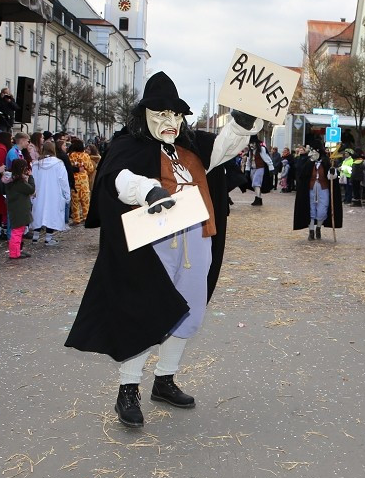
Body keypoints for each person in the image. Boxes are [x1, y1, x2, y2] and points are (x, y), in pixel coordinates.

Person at [65, 72, 262, 428]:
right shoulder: (128, 146)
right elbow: (118, 178)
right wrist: (148, 191)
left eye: (175, 114)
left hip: (197, 239)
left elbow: (224, 149)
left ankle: (165, 379)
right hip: (154, 245)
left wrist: (242, 122)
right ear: (144, 115)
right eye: (161, 114)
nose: (169, 122)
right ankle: (128, 389)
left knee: (187, 311)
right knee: (143, 310)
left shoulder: (194, 145)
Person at [292, 140, 343, 240]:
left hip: (323, 189)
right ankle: (311, 231)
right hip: (310, 189)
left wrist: (332, 172)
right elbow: (302, 175)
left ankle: (318, 227)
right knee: (311, 210)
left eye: (314, 151)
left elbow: (331, 178)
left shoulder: (326, 162)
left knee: (322, 211)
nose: (312, 153)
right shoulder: (308, 162)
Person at [30, 141, 70, 246]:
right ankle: (48, 238)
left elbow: (32, 179)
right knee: (51, 213)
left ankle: (35, 236)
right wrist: (67, 194)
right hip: (54, 192)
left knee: (38, 212)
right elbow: (64, 180)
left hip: (39, 192)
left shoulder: (36, 164)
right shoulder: (58, 163)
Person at [5, 158, 35, 260]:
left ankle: (17, 250)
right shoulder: (18, 182)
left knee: (18, 230)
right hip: (19, 209)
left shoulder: (11, 180)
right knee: (17, 231)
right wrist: (30, 177)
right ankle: (14, 253)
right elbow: (31, 189)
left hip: (16, 208)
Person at [68, 138, 95, 225]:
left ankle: (76, 218)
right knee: (85, 199)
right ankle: (86, 216)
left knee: (75, 201)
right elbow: (90, 168)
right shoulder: (85, 156)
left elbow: (69, 167)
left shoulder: (71, 155)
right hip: (83, 180)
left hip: (74, 180)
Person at [246, 136, 273, 206]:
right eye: (250, 143)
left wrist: (271, 168)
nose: (251, 145)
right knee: (255, 185)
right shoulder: (250, 151)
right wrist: (247, 170)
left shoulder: (262, 149)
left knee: (256, 183)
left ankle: (257, 198)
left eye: (253, 143)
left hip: (260, 168)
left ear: (256, 143)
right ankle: (259, 198)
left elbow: (267, 158)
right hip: (253, 169)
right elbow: (248, 161)